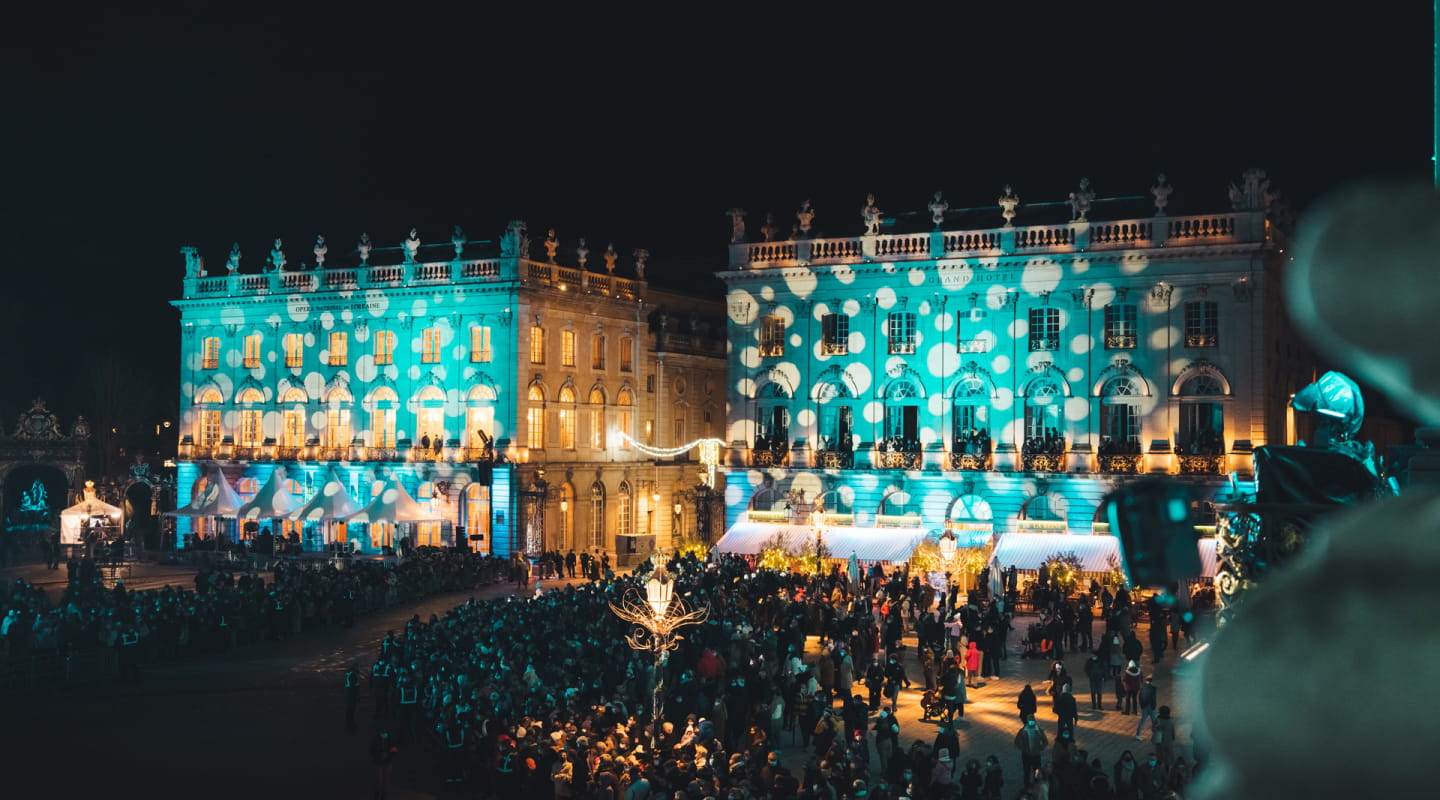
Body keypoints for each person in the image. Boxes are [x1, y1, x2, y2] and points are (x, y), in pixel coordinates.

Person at [1013, 718, 1048, 787]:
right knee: (1027, 772)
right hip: (1026, 755)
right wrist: (1023, 748)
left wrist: (1040, 748)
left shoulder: (1039, 730)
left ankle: (1036, 785)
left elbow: (1045, 741)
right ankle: (1027, 785)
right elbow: (1017, 741)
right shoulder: (1023, 731)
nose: (1031, 723)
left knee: (1037, 771)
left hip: (1036, 755)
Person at [370, 728, 399, 799]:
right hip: (378, 763)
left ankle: (384, 796)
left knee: (386, 780)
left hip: (387, 762)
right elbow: (372, 750)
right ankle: (377, 795)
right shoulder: (376, 739)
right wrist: (379, 755)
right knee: (378, 781)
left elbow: (394, 750)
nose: (384, 733)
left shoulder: (390, 739)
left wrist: (388, 754)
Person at [344, 662, 362, 732]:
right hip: (351, 696)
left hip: (348, 694)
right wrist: (357, 696)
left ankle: (349, 723)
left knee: (349, 710)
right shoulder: (353, 675)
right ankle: (350, 724)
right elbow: (354, 687)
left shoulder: (349, 674)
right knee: (351, 710)